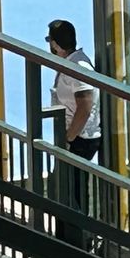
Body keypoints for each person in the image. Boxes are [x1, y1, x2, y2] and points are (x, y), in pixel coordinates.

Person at [46, 19, 102, 198]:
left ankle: (75, 226)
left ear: (55, 44)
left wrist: (69, 138)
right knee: (64, 190)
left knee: (72, 194)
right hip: (74, 137)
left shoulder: (78, 67)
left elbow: (85, 105)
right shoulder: (71, 63)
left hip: (79, 139)